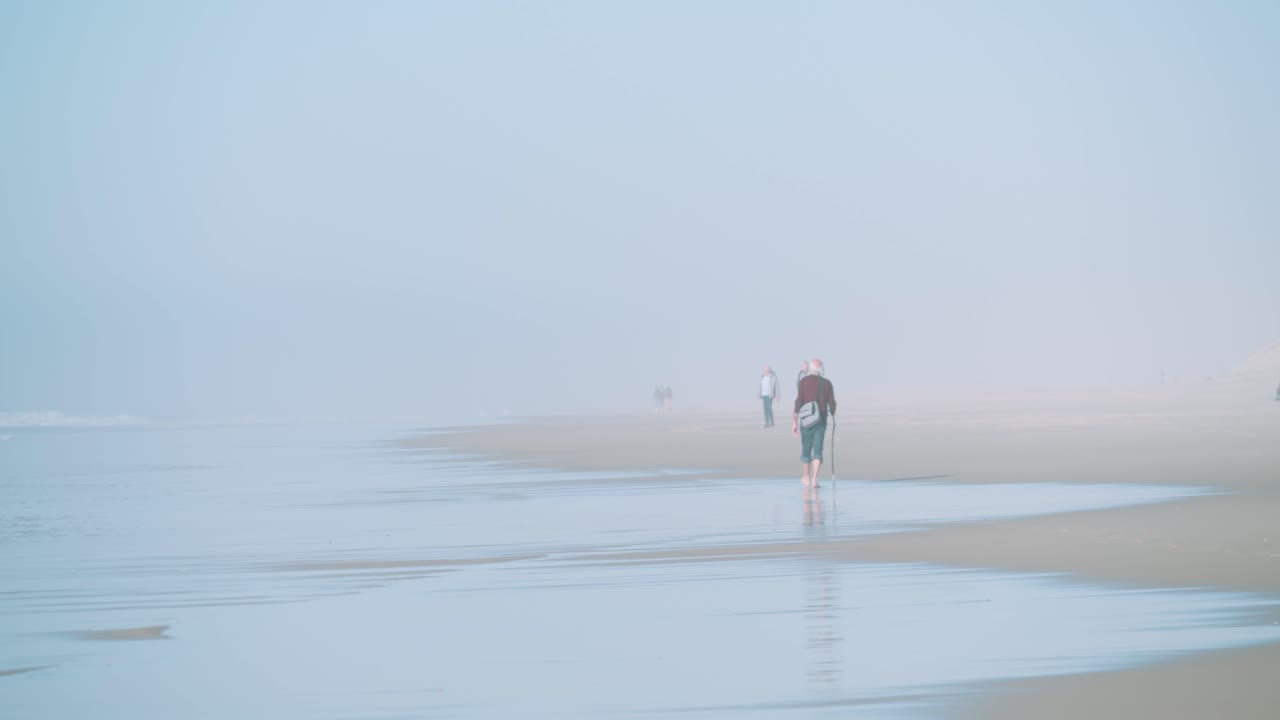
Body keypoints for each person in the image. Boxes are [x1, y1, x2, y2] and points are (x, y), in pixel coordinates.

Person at [792, 359, 836, 487]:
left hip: (805, 420)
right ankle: (814, 480)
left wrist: (794, 421)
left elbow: (798, 402)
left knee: (806, 449)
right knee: (818, 450)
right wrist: (832, 411)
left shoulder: (803, 382)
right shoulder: (827, 383)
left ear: (810, 369)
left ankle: (805, 477)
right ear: (821, 369)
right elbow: (832, 403)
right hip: (820, 420)